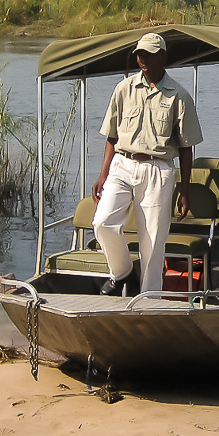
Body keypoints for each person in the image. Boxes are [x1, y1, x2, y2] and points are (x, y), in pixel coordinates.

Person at [91, 32, 203, 296]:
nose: (142, 59)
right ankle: (123, 273)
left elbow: (187, 148)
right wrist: (103, 174)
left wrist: (184, 190)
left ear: (162, 57)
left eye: (148, 54)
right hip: (122, 163)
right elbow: (112, 135)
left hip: (159, 168)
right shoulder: (124, 88)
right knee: (103, 223)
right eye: (139, 54)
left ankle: (149, 298)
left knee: (152, 240)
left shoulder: (179, 95)